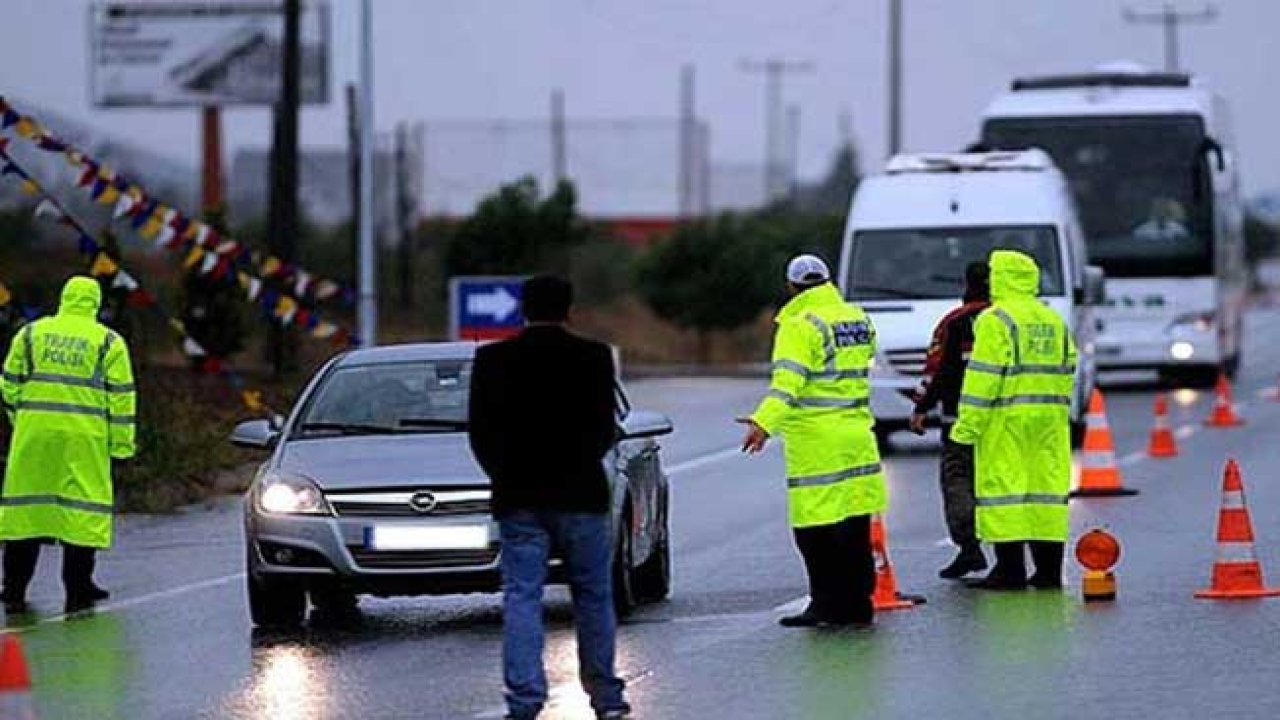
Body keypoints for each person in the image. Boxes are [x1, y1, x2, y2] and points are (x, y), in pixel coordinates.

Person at [468, 275, 629, 720]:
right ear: (569, 310)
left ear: (522, 310)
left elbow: (479, 432)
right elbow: (604, 429)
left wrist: (504, 472)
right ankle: (606, 698)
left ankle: (524, 700)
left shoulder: (493, 360)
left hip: (519, 495)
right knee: (594, 597)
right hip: (581, 493)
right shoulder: (594, 358)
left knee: (522, 596)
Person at [739, 254, 888, 627]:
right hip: (858, 434)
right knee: (855, 524)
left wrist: (763, 422)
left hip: (818, 440)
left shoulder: (799, 324)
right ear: (827, 280)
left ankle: (825, 605)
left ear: (792, 287)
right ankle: (859, 605)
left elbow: (788, 383)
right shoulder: (857, 317)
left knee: (813, 530)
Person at [0, 276, 136, 614]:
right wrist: (121, 446)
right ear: (95, 303)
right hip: (84, 438)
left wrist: (24, 418)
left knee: (27, 511)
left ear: (63, 299)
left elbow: (8, 382)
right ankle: (78, 587)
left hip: (34, 436)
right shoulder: (108, 342)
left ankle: (13, 589)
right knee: (82, 511)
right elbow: (121, 398)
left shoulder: (31, 333)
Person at [950, 250, 1076, 590]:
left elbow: (983, 378)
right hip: (1049, 420)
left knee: (1005, 492)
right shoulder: (1051, 319)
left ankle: (1010, 570)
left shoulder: (995, 320)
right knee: (1045, 493)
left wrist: (966, 428)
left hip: (1005, 419)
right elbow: (1069, 367)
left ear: (1002, 278)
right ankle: (1048, 571)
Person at [909, 262, 991, 579]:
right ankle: (1011, 553)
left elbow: (938, 371)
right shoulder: (1011, 320)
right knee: (1001, 484)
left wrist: (920, 407)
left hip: (959, 419)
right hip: (1004, 420)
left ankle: (969, 549)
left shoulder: (954, 323)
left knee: (958, 482)